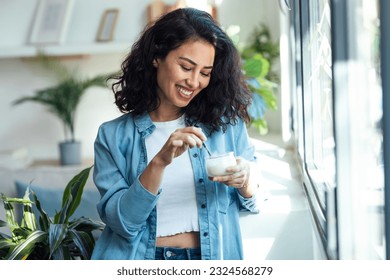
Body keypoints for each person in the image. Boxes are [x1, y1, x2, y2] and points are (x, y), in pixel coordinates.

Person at [91, 7, 260, 260]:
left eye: (204, 72)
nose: (194, 82)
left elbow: (253, 199)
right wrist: (159, 162)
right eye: (185, 67)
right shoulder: (112, 137)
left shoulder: (225, 126)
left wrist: (246, 180)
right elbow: (124, 223)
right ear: (157, 56)